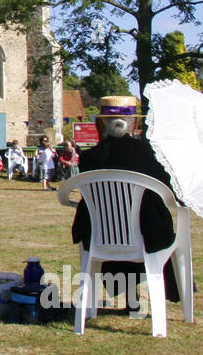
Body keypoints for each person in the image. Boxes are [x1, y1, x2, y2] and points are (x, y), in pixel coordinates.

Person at [71, 95, 184, 305]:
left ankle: (129, 296)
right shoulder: (151, 154)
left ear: (100, 123)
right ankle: (168, 293)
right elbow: (169, 189)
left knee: (117, 224)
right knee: (150, 224)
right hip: (149, 236)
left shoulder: (89, 158)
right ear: (135, 123)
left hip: (99, 235)